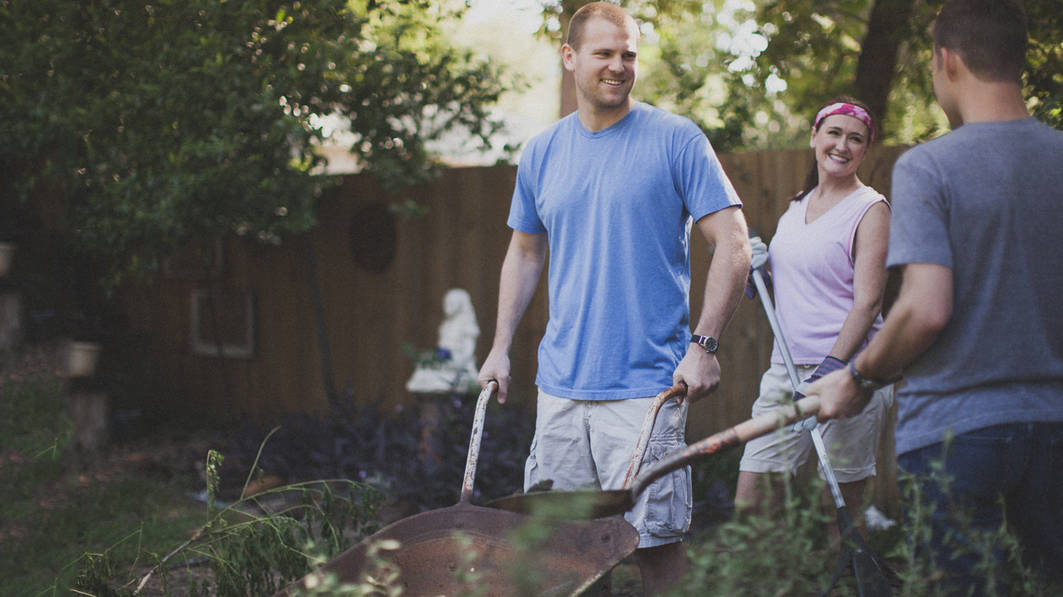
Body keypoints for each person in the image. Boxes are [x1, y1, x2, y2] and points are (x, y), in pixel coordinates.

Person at [476, 3, 751, 593]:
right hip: (560, 394)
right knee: (558, 557)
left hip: (648, 392)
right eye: (604, 53)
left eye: (628, 54)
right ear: (570, 57)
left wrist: (704, 345)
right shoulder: (542, 152)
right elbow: (524, 253)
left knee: (655, 551)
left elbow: (733, 243)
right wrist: (499, 347)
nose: (618, 66)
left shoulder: (677, 139)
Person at [809, 0, 1063, 591]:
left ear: (946, 61)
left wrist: (859, 376)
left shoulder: (930, 167)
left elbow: (925, 307)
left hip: (956, 436)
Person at [734, 97, 893, 548]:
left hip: (849, 372)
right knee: (755, 496)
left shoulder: (870, 209)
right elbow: (800, 286)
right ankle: (776, 580)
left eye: (855, 138)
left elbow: (868, 301)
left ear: (865, 150)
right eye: (834, 133)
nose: (842, 145)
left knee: (838, 512)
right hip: (786, 371)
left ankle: (843, 582)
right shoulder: (795, 207)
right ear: (814, 137)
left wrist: (834, 365)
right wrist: (760, 276)